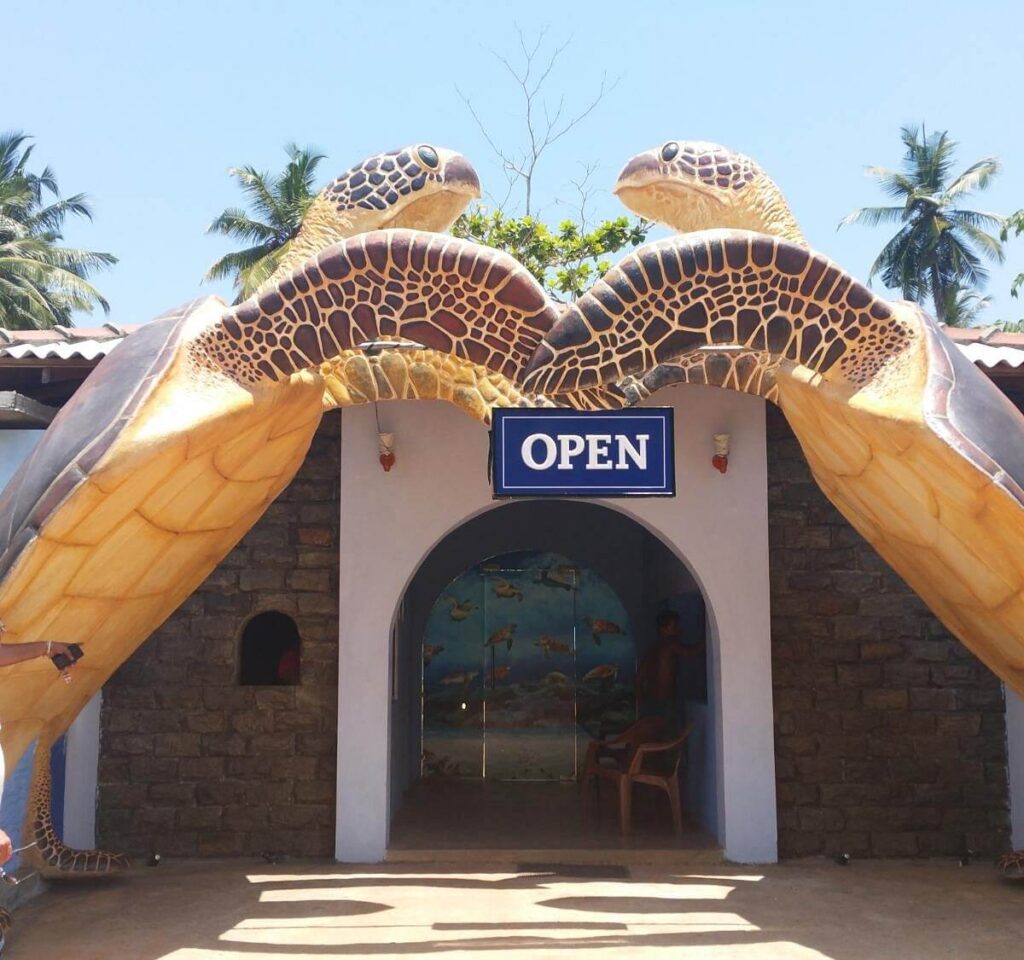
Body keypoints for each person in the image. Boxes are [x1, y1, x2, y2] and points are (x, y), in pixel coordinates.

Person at [637, 609, 704, 735]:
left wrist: (642, 703)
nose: (678, 630)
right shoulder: (669, 644)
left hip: (651, 702)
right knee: (669, 737)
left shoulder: (652, 649)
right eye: (674, 627)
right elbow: (693, 651)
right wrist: (709, 635)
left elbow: (639, 677)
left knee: (655, 738)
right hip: (665, 702)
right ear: (663, 629)